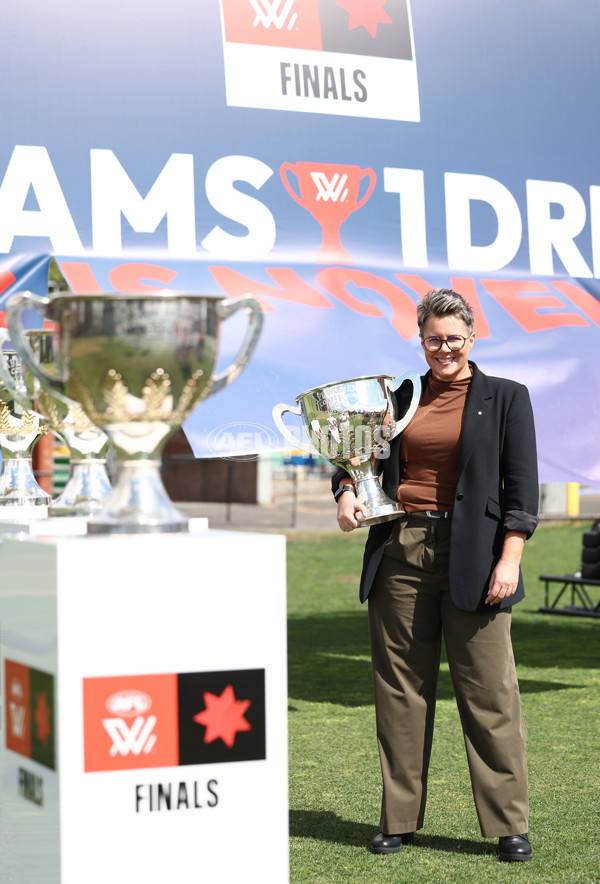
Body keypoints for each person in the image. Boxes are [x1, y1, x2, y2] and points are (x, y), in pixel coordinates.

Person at [332, 288, 538, 863]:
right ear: (419, 338)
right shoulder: (395, 395)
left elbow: (522, 491)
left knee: (490, 694)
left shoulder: (506, 398)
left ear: (472, 338)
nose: (443, 348)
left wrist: (510, 558)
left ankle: (508, 825)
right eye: (432, 338)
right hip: (400, 549)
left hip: (478, 554)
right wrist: (348, 491)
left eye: (454, 339)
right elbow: (356, 457)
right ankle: (398, 819)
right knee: (401, 692)